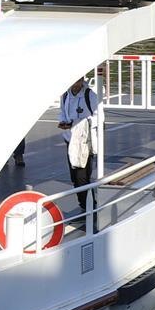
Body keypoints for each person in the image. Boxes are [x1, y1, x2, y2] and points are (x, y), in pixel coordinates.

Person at [58, 74, 102, 226]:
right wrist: (64, 123)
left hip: (85, 141)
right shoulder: (65, 95)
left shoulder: (90, 95)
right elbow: (62, 113)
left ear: (82, 80)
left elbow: (99, 116)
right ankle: (84, 205)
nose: (75, 85)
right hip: (70, 140)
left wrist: (80, 123)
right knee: (74, 178)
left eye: (77, 81)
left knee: (82, 177)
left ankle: (90, 206)